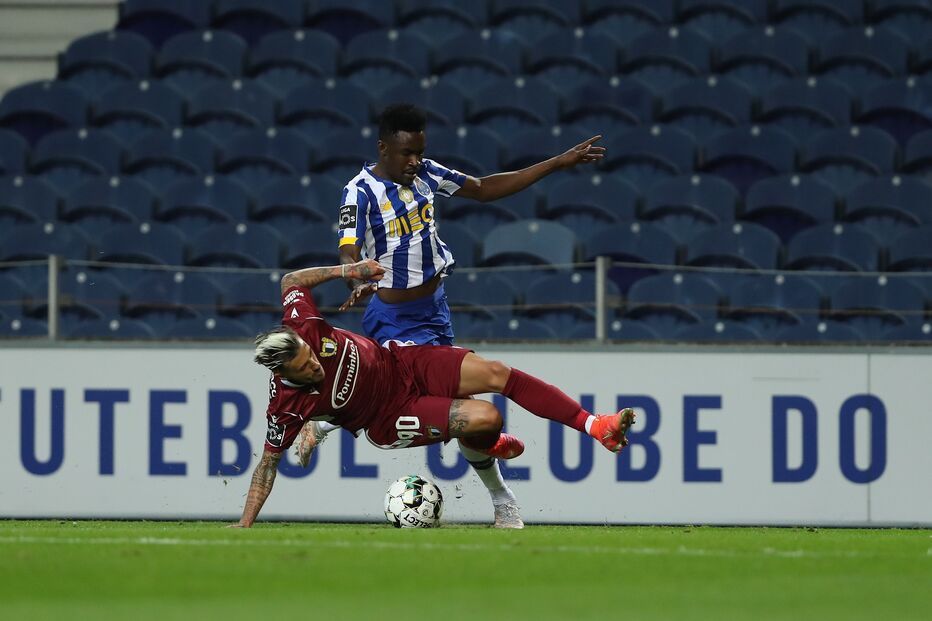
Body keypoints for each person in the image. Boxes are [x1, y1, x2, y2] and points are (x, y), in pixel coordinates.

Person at [296, 104, 606, 528]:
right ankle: (504, 501)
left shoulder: (426, 173)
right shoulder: (359, 191)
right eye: (406, 153)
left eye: (419, 152)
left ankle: (325, 423)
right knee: (428, 397)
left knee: (463, 410)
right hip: (394, 318)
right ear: (383, 148)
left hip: (435, 310)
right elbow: (348, 251)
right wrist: (355, 275)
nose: (414, 161)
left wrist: (556, 163)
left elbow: (484, 189)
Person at [229, 260, 635, 528]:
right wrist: (246, 523)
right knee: (486, 419)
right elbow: (267, 465)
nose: (315, 363)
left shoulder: (302, 325)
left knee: (496, 372)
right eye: (305, 368)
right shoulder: (286, 407)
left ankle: (595, 425)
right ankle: (499, 485)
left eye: (312, 355)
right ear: (283, 373)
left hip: (402, 361)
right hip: (388, 416)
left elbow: (290, 281)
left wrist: (348, 270)